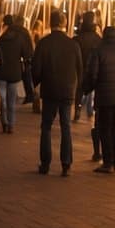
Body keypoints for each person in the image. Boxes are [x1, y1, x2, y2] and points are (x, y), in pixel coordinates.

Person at [31, 12, 82, 176]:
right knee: (65, 126)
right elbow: (80, 69)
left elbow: (36, 69)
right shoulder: (73, 45)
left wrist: (37, 83)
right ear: (65, 23)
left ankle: (45, 163)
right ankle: (66, 163)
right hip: (67, 90)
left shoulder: (44, 43)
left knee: (46, 126)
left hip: (50, 90)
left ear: (50, 23)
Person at [85, 25, 115, 173]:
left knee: (105, 129)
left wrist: (89, 88)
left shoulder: (99, 49)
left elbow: (93, 74)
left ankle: (108, 162)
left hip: (104, 96)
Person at [0, 15, 32, 134]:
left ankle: (5, 122)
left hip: (1, 73)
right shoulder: (20, 39)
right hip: (14, 73)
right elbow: (26, 54)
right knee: (11, 101)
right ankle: (11, 124)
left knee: (3, 100)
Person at [74, 13, 102, 157]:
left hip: (81, 68)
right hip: (92, 69)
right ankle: (90, 109)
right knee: (91, 90)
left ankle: (78, 109)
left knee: (79, 89)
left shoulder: (78, 38)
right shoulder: (98, 40)